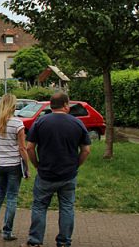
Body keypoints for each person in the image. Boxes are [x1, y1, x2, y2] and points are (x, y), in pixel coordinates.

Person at [23, 92, 91, 247]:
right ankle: (64, 241)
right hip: (68, 174)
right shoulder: (77, 123)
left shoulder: (40, 122)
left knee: (39, 206)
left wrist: (37, 165)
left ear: (50, 105)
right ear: (66, 105)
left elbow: (30, 147)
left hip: (46, 173)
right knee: (67, 207)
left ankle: (35, 241)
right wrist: (76, 165)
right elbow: (86, 150)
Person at [0, 93, 27, 242]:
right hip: (14, 164)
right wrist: (26, 166)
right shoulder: (18, 124)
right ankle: (7, 231)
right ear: (14, 106)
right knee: (12, 197)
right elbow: (22, 148)